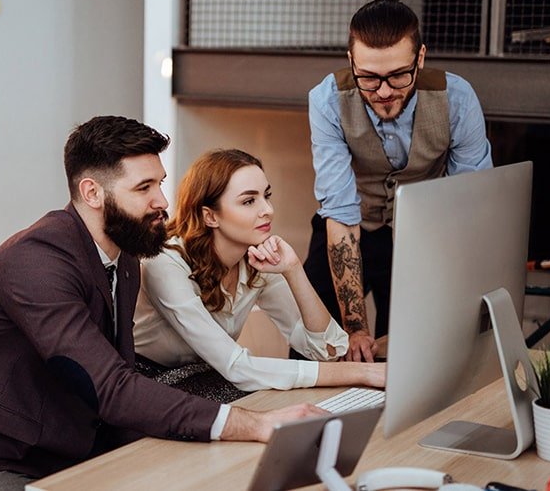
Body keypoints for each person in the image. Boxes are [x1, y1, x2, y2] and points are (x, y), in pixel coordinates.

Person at [0, 117, 325, 491]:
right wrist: (253, 424)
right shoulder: (35, 262)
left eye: (160, 184)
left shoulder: (126, 256)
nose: (163, 202)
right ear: (92, 192)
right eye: (144, 188)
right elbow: (111, 387)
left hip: (63, 446)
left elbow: (119, 375)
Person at [303, 0, 493, 363]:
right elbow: (340, 214)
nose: (384, 91)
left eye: (398, 76)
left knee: (408, 355)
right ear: (351, 61)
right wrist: (355, 327)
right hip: (346, 229)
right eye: (369, 78)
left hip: (419, 236)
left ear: (420, 58)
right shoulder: (326, 100)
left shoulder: (457, 99)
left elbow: (469, 206)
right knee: (314, 347)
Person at [133, 149, 386, 393]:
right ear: (210, 216)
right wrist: (361, 372)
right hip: (149, 381)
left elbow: (328, 351)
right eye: (249, 201)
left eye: (267, 196)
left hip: (206, 377)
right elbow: (237, 367)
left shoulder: (255, 258)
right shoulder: (165, 263)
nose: (268, 210)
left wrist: (293, 269)